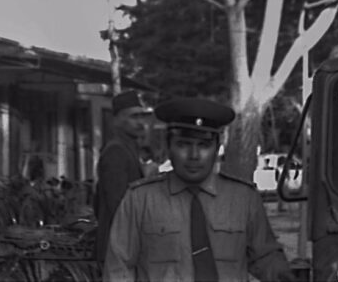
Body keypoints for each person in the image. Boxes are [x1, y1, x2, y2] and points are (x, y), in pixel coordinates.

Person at [104, 98, 293, 282]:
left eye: (203, 145)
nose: (193, 155)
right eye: (183, 144)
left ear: (217, 148)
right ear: (169, 147)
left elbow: (266, 258)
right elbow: (118, 268)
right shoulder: (140, 200)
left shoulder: (243, 199)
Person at [94, 90, 155, 264]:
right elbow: (119, 206)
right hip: (120, 249)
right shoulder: (116, 151)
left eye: (142, 117)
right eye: (133, 117)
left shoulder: (128, 149)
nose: (140, 123)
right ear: (117, 120)